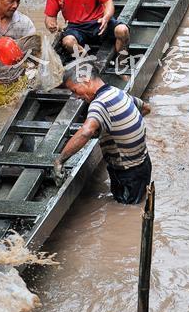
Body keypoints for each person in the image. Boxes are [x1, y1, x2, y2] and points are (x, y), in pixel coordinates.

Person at [53, 60, 152, 205]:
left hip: (127, 173)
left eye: (74, 90)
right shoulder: (117, 92)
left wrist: (60, 160)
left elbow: (86, 132)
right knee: (139, 204)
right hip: (144, 163)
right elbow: (146, 108)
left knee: (125, 210)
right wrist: (122, 128)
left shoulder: (98, 104)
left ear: (86, 81)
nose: (76, 96)